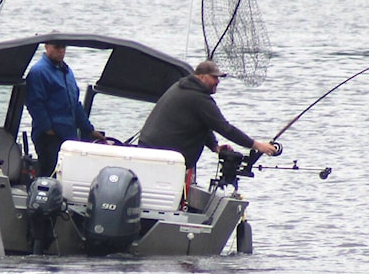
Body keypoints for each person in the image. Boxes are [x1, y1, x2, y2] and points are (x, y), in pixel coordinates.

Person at [138, 60, 279, 171]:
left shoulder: (181, 87)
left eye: (218, 78)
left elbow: (203, 123)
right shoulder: (198, 98)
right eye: (214, 77)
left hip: (148, 149)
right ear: (201, 77)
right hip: (164, 157)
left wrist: (215, 147)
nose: (217, 81)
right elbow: (225, 128)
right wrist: (257, 145)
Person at [25, 40, 104, 177]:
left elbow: (75, 104)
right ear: (46, 47)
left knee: (68, 174)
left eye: (63, 47)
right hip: (49, 137)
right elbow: (35, 103)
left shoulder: (67, 71)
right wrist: (48, 129)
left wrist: (89, 129)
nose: (61, 50)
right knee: (49, 174)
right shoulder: (38, 72)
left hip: (68, 136)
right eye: (57, 47)